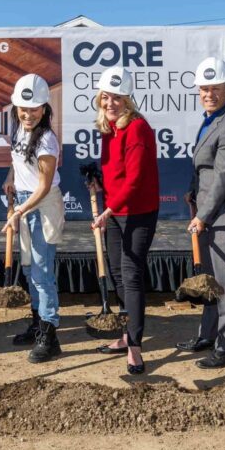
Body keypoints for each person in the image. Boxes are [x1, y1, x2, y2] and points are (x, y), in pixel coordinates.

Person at [174, 58, 225, 370]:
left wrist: (203, 215)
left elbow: (224, 177)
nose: (210, 94)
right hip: (209, 213)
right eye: (205, 89)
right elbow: (204, 167)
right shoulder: (210, 121)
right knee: (210, 282)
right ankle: (207, 335)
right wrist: (193, 191)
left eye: (216, 89)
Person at [90, 66, 159, 375]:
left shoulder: (137, 129)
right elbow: (114, 175)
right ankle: (123, 334)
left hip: (138, 212)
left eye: (117, 98)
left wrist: (108, 209)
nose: (110, 103)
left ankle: (135, 347)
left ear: (128, 100)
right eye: (106, 97)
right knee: (117, 271)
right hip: (115, 210)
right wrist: (99, 187)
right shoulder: (110, 128)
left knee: (131, 275)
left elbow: (134, 180)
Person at [1, 74, 65, 362]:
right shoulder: (19, 130)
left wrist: (20, 210)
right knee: (29, 269)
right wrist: (10, 177)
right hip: (26, 203)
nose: (28, 113)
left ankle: (49, 337)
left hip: (41, 205)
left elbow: (43, 186)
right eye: (24, 108)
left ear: (44, 109)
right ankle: (37, 323)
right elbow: (17, 161)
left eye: (34, 108)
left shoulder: (47, 141)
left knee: (42, 273)